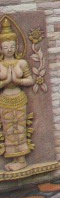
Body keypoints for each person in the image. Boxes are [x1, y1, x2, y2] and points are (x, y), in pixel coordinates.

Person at [0, 18, 34, 172]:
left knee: (19, 128)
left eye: (12, 46)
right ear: (1, 49)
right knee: (9, 129)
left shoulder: (21, 63)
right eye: (6, 47)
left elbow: (30, 80)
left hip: (19, 98)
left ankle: (22, 160)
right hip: (5, 99)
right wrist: (7, 81)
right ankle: (14, 158)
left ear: (16, 46)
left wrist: (18, 81)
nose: (9, 49)